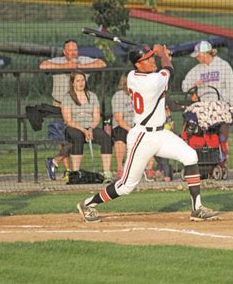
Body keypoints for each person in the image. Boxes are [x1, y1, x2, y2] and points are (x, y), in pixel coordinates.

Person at [77, 44, 217, 222]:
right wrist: (163, 55)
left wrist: (160, 55)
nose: (152, 61)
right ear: (137, 64)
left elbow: (164, 69)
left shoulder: (134, 75)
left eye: (152, 57)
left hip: (161, 133)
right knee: (126, 186)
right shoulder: (150, 82)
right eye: (148, 59)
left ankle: (197, 208)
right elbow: (169, 70)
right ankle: (88, 203)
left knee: (190, 156)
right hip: (142, 137)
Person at [40, 39, 107, 181]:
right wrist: (66, 66)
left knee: (76, 138)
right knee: (65, 140)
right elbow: (43, 65)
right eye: (70, 50)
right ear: (64, 51)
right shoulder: (58, 60)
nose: (73, 53)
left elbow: (102, 63)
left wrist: (79, 67)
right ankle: (67, 169)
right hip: (59, 106)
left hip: (79, 108)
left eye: (75, 50)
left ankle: (55, 161)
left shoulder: (83, 60)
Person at [61, 72, 113, 182]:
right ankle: (76, 173)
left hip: (90, 127)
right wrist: (83, 130)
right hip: (74, 128)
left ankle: (107, 173)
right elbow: (68, 120)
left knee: (106, 138)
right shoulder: (67, 97)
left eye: (83, 80)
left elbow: (96, 117)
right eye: (78, 81)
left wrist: (90, 128)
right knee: (77, 137)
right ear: (73, 83)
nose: (81, 83)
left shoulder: (92, 96)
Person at [182, 40, 233, 107]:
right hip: (202, 107)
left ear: (206, 53)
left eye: (198, 55)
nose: (196, 58)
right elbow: (184, 87)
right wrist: (194, 86)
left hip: (221, 106)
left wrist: (231, 104)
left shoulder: (223, 65)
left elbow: (232, 87)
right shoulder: (195, 70)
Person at [111, 74, 134, 179]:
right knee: (120, 137)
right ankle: (120, 168)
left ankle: (149, 169)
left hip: (137, 125)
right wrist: (131, 129)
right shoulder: (119, 96)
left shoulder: (139, 94)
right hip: (122, 126)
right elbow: (119, 119)